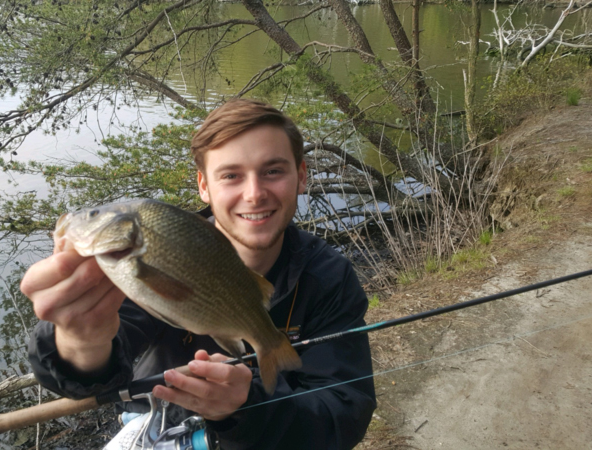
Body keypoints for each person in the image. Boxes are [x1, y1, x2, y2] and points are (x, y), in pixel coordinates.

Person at [22, 99, 376, 449]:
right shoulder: (151, 252)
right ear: (204, 186)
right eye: (231, 175)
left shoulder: (328, 275)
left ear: (301, 176)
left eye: (273, 171)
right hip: (157, 429)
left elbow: (344, 415)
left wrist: (246, 407)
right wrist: (80, 343)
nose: (254, 194)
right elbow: (96, 368)